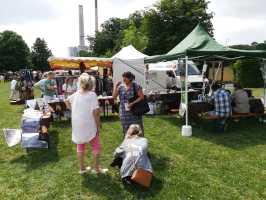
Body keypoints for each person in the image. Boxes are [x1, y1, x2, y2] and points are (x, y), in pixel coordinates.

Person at [65, 73, 107, 174]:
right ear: (91, 84)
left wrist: (74, 110)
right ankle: (96, 168)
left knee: (80, 145)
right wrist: (98, 124)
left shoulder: (76, 94)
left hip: (77, 123)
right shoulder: (92, 95)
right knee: (96, 145)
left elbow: (66, 101)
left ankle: (82, 168)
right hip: (89, 123)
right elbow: (96, 113)